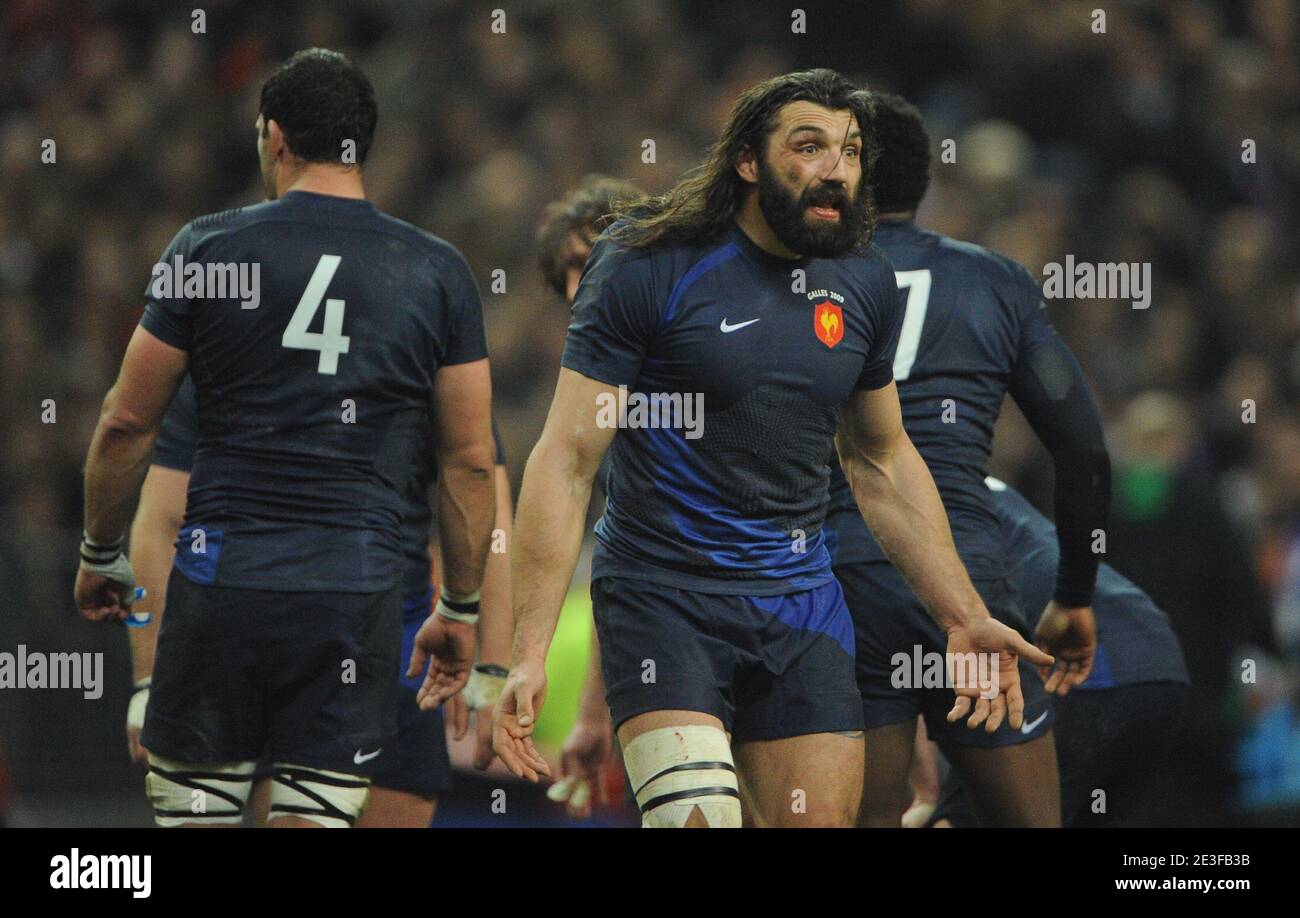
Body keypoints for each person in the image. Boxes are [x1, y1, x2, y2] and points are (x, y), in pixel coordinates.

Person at [495, 69, 1051, 828]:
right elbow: (566, 460)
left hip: (801, 606)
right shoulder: (647, 260)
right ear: (748, 161)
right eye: (810, 146)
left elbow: (881, 461)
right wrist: (527, 648)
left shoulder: (863, 282)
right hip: (665, 598)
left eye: (851, 152)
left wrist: (962, 615)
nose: (837, 169)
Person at [75, 48, 497, 828]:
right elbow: (471, 461)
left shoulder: (203, 248)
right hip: (353, 597)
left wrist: (100, 552)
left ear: (273, 137)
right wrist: (462, 609)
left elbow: (126, 420)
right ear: (363, 144)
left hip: (221, 589)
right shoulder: (437, 273)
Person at [824, 92, 1110, 827]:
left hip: (841, 577)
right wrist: (1073, 593)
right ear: (925, 183)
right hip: (968, 581)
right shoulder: (995, 280)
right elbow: (1081, 447)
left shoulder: (801, 279)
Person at [123, 375, 515, 827]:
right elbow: (487, 504)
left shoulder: (228, 332)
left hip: (354, 643)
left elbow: (486, 504)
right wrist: (492, 672)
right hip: (333, 641)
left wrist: (149, 682)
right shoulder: (424, 322)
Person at [923, 478, 1190, 827]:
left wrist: (925, 793)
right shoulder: (968, 471)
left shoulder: (884, 482)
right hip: (1156, 656)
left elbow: (890, 660)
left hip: (1077, 669)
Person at [535, 175, 644, 820]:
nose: (582, 287)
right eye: (572, 271)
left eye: (595, 261)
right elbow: (627, 553)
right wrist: (593, 710)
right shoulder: (604, 396)